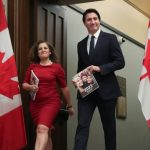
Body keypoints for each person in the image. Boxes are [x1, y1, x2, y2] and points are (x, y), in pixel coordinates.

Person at [73, 8, 125, 150]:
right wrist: (77, 80)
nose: (93, 21)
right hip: (86, 92)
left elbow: (120, 62)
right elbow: (81, 68)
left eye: (95, 18)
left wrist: (100, 68)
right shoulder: (81, 44)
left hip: (107, 92)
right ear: (85, 23)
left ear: (99, 21)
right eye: (89, 19)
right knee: (82, 126)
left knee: (109, 130)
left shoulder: (110, 38)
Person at [22, 40, 75, 150]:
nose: (43, 50)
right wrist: (31, 87)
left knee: (41, 129)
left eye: (45, 48)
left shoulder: (57, 68)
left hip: (51, 103)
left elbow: (64, 88)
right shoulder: (32, 67)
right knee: (46, 133)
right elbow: (24, 84)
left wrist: (70, 106)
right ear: (37, 53)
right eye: (40, 49)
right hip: (35, 105)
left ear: (50, 51)